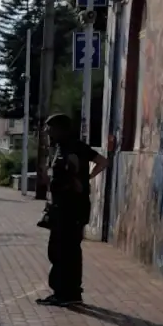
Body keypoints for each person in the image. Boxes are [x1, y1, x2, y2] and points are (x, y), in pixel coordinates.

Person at [37, 113, 107, 307]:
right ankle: (67, 292)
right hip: (61, 208)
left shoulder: (75, 146)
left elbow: (103, 161)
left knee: (65, 251)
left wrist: (87, 179)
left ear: (60, 129)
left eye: (50, 129)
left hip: (72, 209)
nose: (47, 133)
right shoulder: (59, 148)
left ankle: (66, 293)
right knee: (61, 250)